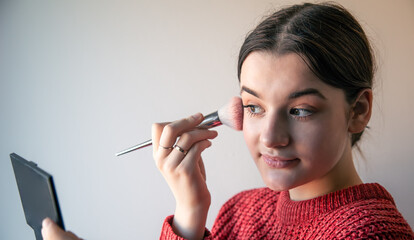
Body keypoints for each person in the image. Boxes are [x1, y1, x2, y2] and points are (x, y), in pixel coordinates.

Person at [42, 2, 414, 240]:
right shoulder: (243, 211)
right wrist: (189, 210)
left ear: (358, 110)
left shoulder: (369, 232)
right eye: (254, 107)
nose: (270, 137)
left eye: (300, 110)